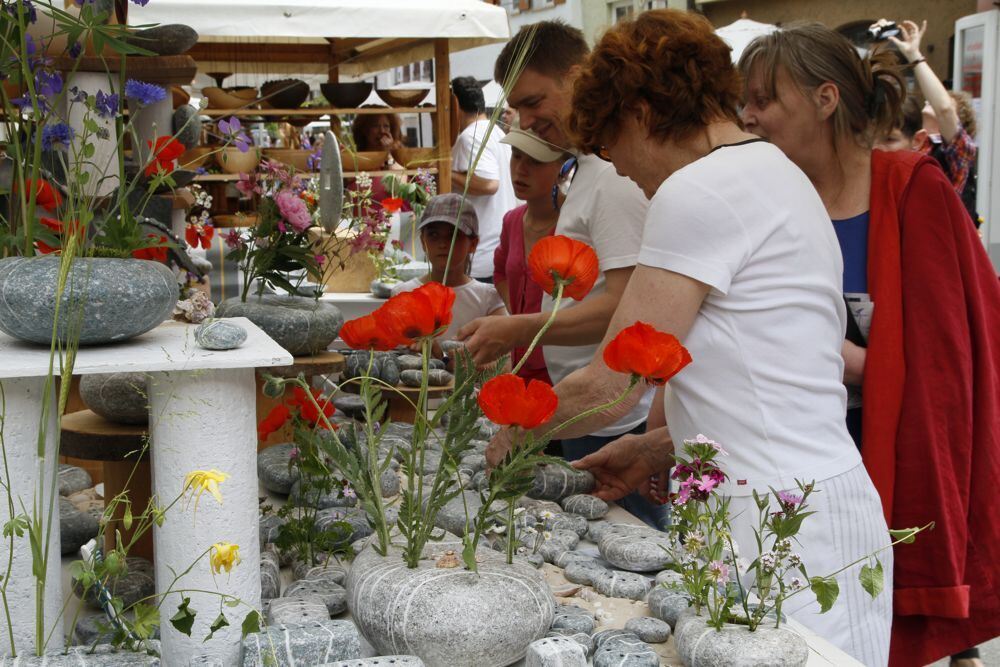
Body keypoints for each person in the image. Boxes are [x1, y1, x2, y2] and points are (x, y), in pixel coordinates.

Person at [482, 10, 894, 664]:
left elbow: (613, 384)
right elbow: (770, 374)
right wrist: (658, 447)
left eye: (613, 147)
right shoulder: (772, 172)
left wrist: (508, 430)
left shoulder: (700, 191)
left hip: (779, 525)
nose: (620, 172)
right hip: (804, 507)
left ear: (643, 111)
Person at [739, 23, 1000, 667]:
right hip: (792, 474)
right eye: (743, 101)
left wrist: (854, 365)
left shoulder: (914, 188)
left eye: (763, 100)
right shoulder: (767, 197)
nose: (747, 117)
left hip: (886, 470)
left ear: (825, 100)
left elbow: (951, 365)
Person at [458, 20, 659, 528]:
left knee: (628, 538)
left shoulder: (615, 175)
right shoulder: (588, 167)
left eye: (533, 102)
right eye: (517, 107)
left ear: (577, 77)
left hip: (614, 413)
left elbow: (627, 305)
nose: (525, 119)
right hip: (587, 404)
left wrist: (521, 327)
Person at [873, 19, 981, 228]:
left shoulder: (955, 158)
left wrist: (914, 55)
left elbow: (945, 109)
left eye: (888, 139)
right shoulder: (920, 146)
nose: (877, 147)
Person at [493, 127, 566, 384]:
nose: (520, 169)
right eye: (516, 155)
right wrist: (519, 317)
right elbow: (500, 271)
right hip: (520, 362)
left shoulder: (572, 223)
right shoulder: (512, 221)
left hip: (563, 367)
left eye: (535, 161)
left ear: (563, 168)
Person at [391, 193, 507, 347]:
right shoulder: (403, 294)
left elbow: (502, 362)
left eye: (453, 236)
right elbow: (393, 355)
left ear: (473, 244)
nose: (443, 244)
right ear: (423, 241)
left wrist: (446, 359)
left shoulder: (488, 298)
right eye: (433, 235)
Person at [450, 76, 518, 283]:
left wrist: (445, 172)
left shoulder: (470, 136)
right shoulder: (494, 131)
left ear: (455, 105)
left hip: (481, 255)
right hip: (498, 248)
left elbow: (490, 184)